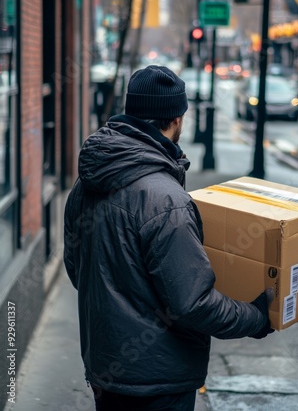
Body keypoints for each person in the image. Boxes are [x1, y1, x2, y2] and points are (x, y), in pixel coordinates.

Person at [64, 65, 274, 411]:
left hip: (105, 368)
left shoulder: (87, 182)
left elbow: (77, 268)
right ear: (176, 119)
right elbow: (193, 304)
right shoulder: (167, 201)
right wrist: (256, 318)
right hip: (159, 381)